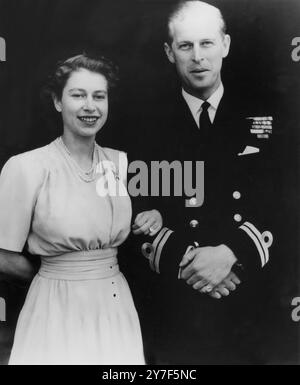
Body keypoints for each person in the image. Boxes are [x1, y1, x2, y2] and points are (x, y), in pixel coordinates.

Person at [127, 0, 281, 364]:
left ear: (225, 45)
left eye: (207, 43)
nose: (198, 57)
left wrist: (233, 253)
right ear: (170, 52)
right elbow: (129, 204)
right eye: (186, 45)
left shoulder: (270, 111)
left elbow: (288, 199)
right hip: (173, 300)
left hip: (249, 296)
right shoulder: (141, 120)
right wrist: (188, 260)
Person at [0, 53, 162, 365]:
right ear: (58, 102)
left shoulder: (119, 163)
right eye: (78, 95)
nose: (90, 106)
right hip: (54, 304)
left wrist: (154, 216)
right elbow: (3, 257)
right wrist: (57, 273)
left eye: (99, 96)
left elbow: (115, 222)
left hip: (115, 302)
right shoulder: (26, 168)